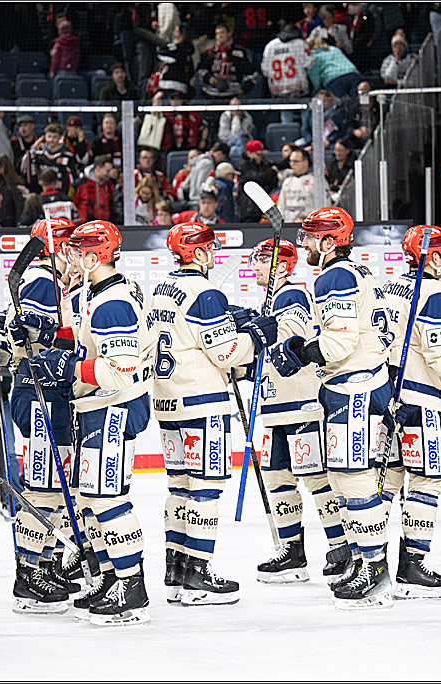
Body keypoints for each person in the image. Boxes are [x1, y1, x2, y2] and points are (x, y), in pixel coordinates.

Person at [28, 220, 153, 624]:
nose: (69, 256)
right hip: (99, 405)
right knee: (93, 497)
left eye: (77, 251)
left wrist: (70, 368)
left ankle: (131, 585)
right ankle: (113, 576)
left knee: (106, 498)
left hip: (115, 406)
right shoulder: (94, 292)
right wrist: (53, 342)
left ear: (95, 257)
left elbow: (121, 370)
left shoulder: (112, 302)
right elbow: (86, 342)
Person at [267, 207, 392, 610]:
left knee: (354, 481)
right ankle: (361, 560)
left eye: (308, 237)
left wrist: (300, 352)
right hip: (363, 384)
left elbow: (338, 343)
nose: (303, 243)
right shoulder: (360, 272)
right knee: (343, 481)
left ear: (327, 242)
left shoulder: (334, 276)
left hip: (354, 390)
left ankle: (375, 570)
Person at [149, 221, 277, 605]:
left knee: (179, 487)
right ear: (200, 252)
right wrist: (256, 336)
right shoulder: (205, 292)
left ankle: (176, 571)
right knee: (205, 489)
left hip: (167, 402)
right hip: (203, 403)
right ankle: (198, 575)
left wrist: (230, 318)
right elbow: (225, 353)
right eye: (210, 249)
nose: (213, 256)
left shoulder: (160, 289)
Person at [379, 225, 441, 599]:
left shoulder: (391, 287)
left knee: (386, 483)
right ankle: (412, 566)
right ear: (433, 257)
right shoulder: (435, 292)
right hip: (423, 401)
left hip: (388, 400)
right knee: (426, 482)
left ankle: (370, 563)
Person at [247, 238, 349, 583]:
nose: (256, 265)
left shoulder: (291, 294)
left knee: (317, 479)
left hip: (303, 405)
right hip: (277, 406)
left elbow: (291, 334)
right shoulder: (272, 300)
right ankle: (292, 552)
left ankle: (341, 548)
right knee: (278, 479)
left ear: (282, 266)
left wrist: (255, 331)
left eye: (262, 259)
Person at [3, 218, 86, 614]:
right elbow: (28, 336)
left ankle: (46, 563)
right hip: (39, 393)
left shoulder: (54, 283)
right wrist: (37, 333)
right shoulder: (42, 280)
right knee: (43, 489)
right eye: (70, 246)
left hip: (50, 392)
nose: (76, 255)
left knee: (54, 487)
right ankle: (28, 574)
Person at [261, 24, 315, 124]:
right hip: (299, 86)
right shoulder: (300, 43)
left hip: (279, 88)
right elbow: (310, 63)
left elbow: (265, 69)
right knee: (305, 115)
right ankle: (307, 133)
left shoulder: (270, 45)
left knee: (286, 118)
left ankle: (287, 133)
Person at [194, 23, 257, 100]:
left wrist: (243, 90)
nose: (220, 36)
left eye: (222, 32)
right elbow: (200, 70)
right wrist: (210, 79)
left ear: (229, 34)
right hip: (211, 95)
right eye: (217, 34)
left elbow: (251, 74)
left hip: (233, 96)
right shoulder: (209, 52)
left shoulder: (240, 52)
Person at [22, 123, 75, 194]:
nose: (51, 140)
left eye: (55, 137)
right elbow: (25, 167)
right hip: (41, 193)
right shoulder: (38, 154)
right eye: (49, 136)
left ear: (60, 138)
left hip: (61, 194)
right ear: (45, 137)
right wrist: (33, 147)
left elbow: (72, 177)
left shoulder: (67, 155)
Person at [306, 36, 362, 101]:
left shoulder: (313, 57)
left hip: (334, 80)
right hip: (353, 75)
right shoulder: (334, 49)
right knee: (358, 101)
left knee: (339, 104)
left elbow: (315, 77)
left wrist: (315, 92)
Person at [236, 140, 278, 223]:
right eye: (258, 154)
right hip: (249, 208)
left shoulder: (264, 165)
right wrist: (271, 171)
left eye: (262, 154)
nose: (261, 157)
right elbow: (257, 178)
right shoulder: (243, 166)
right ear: (249, 153)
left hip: (263, 206)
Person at [276, 147, 316, 222]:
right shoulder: (287, 182)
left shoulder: (315, 181)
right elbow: (281, 207)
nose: (292, 164)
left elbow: (324, 207)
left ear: (305, 162)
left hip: (309, 224)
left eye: (295, 161)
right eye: (290, 161)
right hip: (289, 225)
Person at [73, 154, 117, 223]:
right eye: (107, 171)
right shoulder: (80, 184)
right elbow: (72, 202)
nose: (110, 174)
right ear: (98, 168)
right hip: (84, 225)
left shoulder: (109, 185)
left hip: (103, 225)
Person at [184, 141, 229, 208]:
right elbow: (202, 185)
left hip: (194, 201)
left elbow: (185, 184)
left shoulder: (199, 161)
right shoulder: (208, 163)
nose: (222, 160)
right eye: (223, 157)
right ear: (220, 153)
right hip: (200, 202)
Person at [345, 3, 376, 72]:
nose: (354, 8)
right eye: (353, 6)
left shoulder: (366, 17)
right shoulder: (350, 17)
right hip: (350, 42)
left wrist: (355, 42)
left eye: (356, 6)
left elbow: (367, 32)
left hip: (361, 45)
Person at [64, 115, 92, 180]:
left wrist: (81, 143)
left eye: (79, 128)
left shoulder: (84, 142)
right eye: (75, 127)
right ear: (68, 127)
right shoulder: (62, 140)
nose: (77, 130)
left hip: (77, 169)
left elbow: (83, 160)